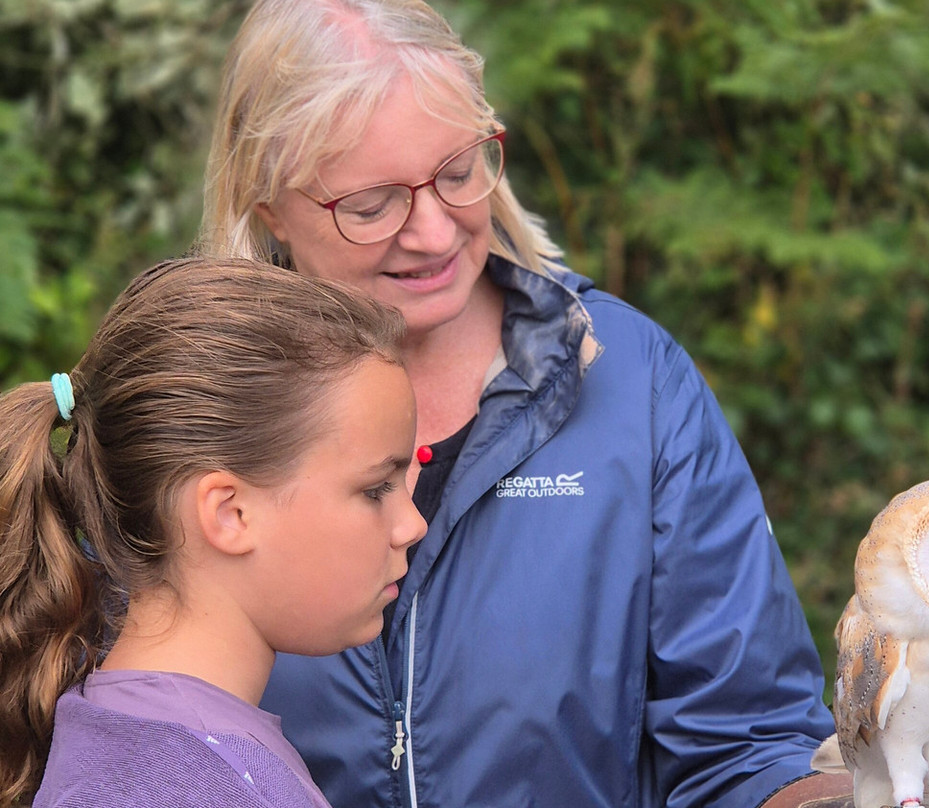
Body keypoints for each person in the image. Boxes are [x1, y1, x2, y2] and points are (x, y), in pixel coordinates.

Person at [198, 1, 855, 806]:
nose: (435, 234)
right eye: (372, 206)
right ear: (267, 205)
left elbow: (747, 745)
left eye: (458, 173)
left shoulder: (629, 382)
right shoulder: (191, 412)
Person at [0, 257, 427, 808]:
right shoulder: (197, 785)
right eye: (375, 489)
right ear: (229, 514)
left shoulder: (137, 740)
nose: (412, 526)